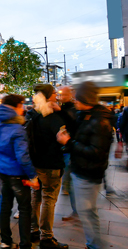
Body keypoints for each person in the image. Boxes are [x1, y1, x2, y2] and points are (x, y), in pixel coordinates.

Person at [57, 81, 113, 249]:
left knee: (86, 213)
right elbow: (75, 125)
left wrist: (69, 142)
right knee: (88, 212)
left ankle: (95, 245)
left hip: (88, 174)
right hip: (81, 169)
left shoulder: (99, 121)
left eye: (77, 98)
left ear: (85, 100)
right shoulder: (86, 115)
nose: (74, 101)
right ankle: (94, 243)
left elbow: (96, 152)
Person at [0, 94, 40, 249]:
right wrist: (33, 176)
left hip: (3, 172)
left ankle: (5, 241)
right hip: (18, 174)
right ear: (16, 107)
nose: (24, 108)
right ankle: (25, 243)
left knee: (5, 207)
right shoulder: (18, 129)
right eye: (22, 105)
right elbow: (23, 156)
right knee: (25, 208)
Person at [26, 85, 68, 249]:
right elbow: (65, 136)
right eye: (54, 93)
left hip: (36, 163)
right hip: (51, 164)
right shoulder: (53, 117)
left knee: (36, 198)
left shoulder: (33, 115)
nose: (57, 94)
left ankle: (33, 230)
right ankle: (46, 237)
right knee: (49, 199)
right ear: (49, 96)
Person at [57, 86, 78, 221]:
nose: (61, 97)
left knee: (71, 182)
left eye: (64, 95)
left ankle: (77, 212)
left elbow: (72, 123)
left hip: (70, 149)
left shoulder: (72, 109)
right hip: (64, 149)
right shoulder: (64, 108)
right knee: (69, 180)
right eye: (60, 95)